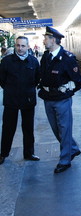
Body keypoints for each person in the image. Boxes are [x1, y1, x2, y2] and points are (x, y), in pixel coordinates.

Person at [38, 26, 81, 173]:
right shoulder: (45, 57)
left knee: (64, 129)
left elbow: (77, 81)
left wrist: (67, 90)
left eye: (46, 38)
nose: (44, 40)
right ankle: (73, 148)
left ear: (53, 40)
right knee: (56, 129)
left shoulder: (68, 58)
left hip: (62, 99)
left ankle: (65, 160)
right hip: (47, 98)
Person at [0, 36, 40, 165]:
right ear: (15, 46)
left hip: (28, 100)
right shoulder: (6, 61)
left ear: (28, 46)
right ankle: (3, 153)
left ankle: (29, 153)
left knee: (28, 128)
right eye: (18, 45)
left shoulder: (33, 62)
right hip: (11, 100)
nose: (20, 48)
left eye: (23, 46)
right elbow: (1, 80)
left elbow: (37, 79)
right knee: (8, 128)